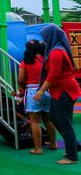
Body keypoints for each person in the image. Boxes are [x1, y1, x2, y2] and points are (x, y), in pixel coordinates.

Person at [34, 24, 81, 164]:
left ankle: (71, 156)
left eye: (45, 36)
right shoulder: (56, 49)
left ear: (51, 36)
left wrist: (41, 90)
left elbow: (54, 74)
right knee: (55, 118)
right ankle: (74, 145)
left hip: (64, 90)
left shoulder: (56, 52)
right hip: (60, 90)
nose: (43, 40)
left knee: (64, 122)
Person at [18, 40, 56, 155]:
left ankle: (38, 148)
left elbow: (20, 79)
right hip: (46, 89)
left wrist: (24, 88)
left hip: (32, 91)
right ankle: (53, 144)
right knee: (48, 119)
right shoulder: (46, 60)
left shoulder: (25, 62)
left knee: (35, 121)